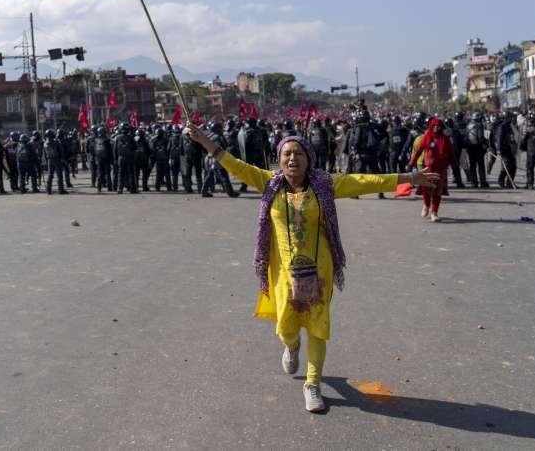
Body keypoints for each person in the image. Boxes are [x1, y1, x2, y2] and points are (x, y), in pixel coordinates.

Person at [186, 123, 437, 412]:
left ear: (309, 157)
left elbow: (365, 180)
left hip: (320, 272)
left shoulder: (325, 185)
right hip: (283, 274)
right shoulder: (268, 183)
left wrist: (409, 177)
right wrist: (205, 141)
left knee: (318, 326)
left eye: (298, 153)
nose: (292, 159)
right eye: (286, 154)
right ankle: (291, 347)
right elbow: (234, 165)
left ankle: (312, 383)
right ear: (279, 160)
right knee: (286, 327)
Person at [408, 117, 456, 222]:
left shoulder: (445, 139)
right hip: (427, 168)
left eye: (438, 126)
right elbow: (418, 151)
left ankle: (434, 212)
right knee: (426, 189)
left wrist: (455, 165)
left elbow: (451, 153)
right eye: (434, 126)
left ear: (441, 127)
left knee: (437, 192)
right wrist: (411, 163)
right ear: (431, 126)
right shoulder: (426, 137)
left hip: (441, 169)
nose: (436, 128)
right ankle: (426, 205)